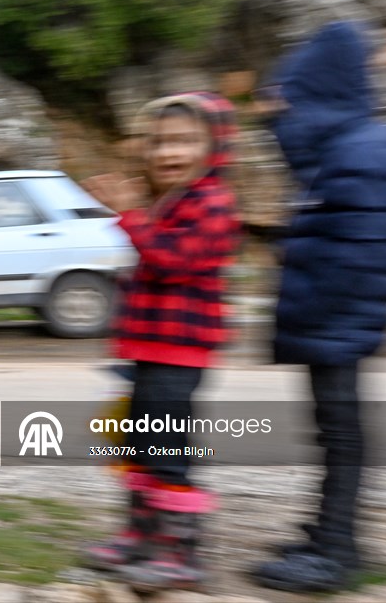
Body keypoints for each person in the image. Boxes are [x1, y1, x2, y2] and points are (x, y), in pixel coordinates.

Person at [250, 21, 386, 593]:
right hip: (333, 318)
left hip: (337, 320)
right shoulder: (345, 147)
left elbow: (358, 249)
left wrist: (315, 311)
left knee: (340, 434)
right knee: (333, 432)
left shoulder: (362, 149)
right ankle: (329, 538)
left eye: (291, 99)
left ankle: (336, 553)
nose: (280, 113)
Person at [78, 92, 241, 591]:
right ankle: (140, 535)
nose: (169, 152)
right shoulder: (174, 202)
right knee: (138, 444)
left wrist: (131, 215)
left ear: (214, 147)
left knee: (167, 449)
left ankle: (180, 554)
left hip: (178, 354)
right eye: (160, 142)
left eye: (185, 141)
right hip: (149, 350)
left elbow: (172, 261)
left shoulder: (213, 203)